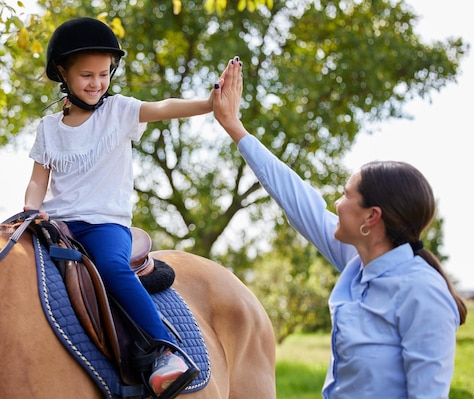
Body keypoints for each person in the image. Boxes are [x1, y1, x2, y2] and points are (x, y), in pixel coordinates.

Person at [212, 56, 468, 398]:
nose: (336, 204)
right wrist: (233, 126)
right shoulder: (358, 262)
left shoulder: (423, 293)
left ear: (371, 217)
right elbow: (297, 198)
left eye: (347, 195)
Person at [23, 17, 219, 397]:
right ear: (62, 73)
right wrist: (31, 209)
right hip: (58, 224)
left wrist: (209, 103)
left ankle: (164, 349)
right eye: (86, 75)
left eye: (104, 74)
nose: (97, 83)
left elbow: (163, 107)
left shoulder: (119, 112)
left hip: (103, 225)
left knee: (112, 267)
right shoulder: (48, 128)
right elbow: (37, 181)